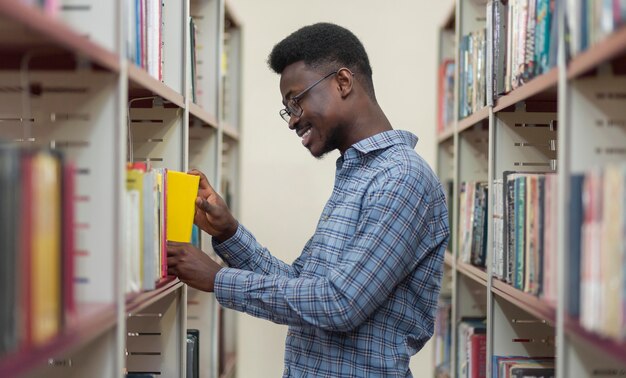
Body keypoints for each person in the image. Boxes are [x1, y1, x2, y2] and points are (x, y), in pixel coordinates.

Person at [167, 22, 450, 377]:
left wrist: (219, 280)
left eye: (296, 101)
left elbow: (341, 303)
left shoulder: (401, 178)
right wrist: (228, 233)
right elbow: (304, 286)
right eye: (288, 108)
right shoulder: (358, 174)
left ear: (343, 82)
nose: (292, 121)